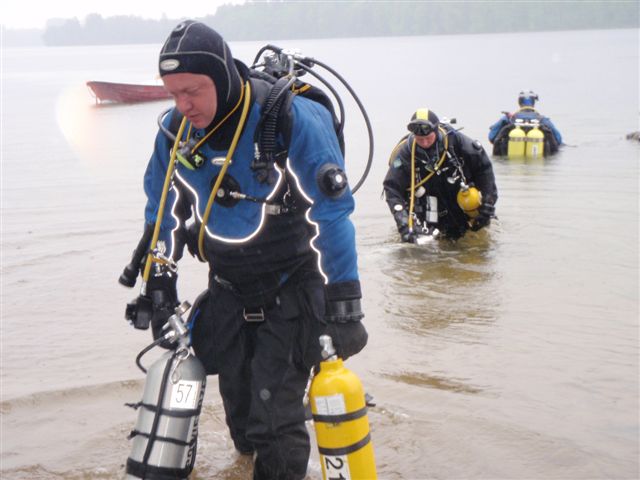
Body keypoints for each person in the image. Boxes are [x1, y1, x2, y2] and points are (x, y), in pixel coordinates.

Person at [125, 20, 367, 480]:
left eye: (193, 90)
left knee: (275, 419)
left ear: (220, 77)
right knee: (241, 412)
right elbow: (160, 212)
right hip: (229, 289)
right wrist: (159, 283)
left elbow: (334, 214)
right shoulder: (176, 132)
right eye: (173, 93)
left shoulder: (289, 119)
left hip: (293, 284)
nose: (183, 105)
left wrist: (346, 307)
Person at [383, 108, 498, 242]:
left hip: (463, 206)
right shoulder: (405, 154)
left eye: (428, 138)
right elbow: (392, 188)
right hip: (429, 213)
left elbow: (484, 169)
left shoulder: (458, 142)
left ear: (436, 130)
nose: (425, 143)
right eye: (420, 139)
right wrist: (403, 223)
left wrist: (488, 202)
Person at [488, 90, 563, 156]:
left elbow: (491, 137)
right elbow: (558, 140)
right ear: (533, 102)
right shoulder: (543, 120)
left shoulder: (508, 119)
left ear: (519, 102)